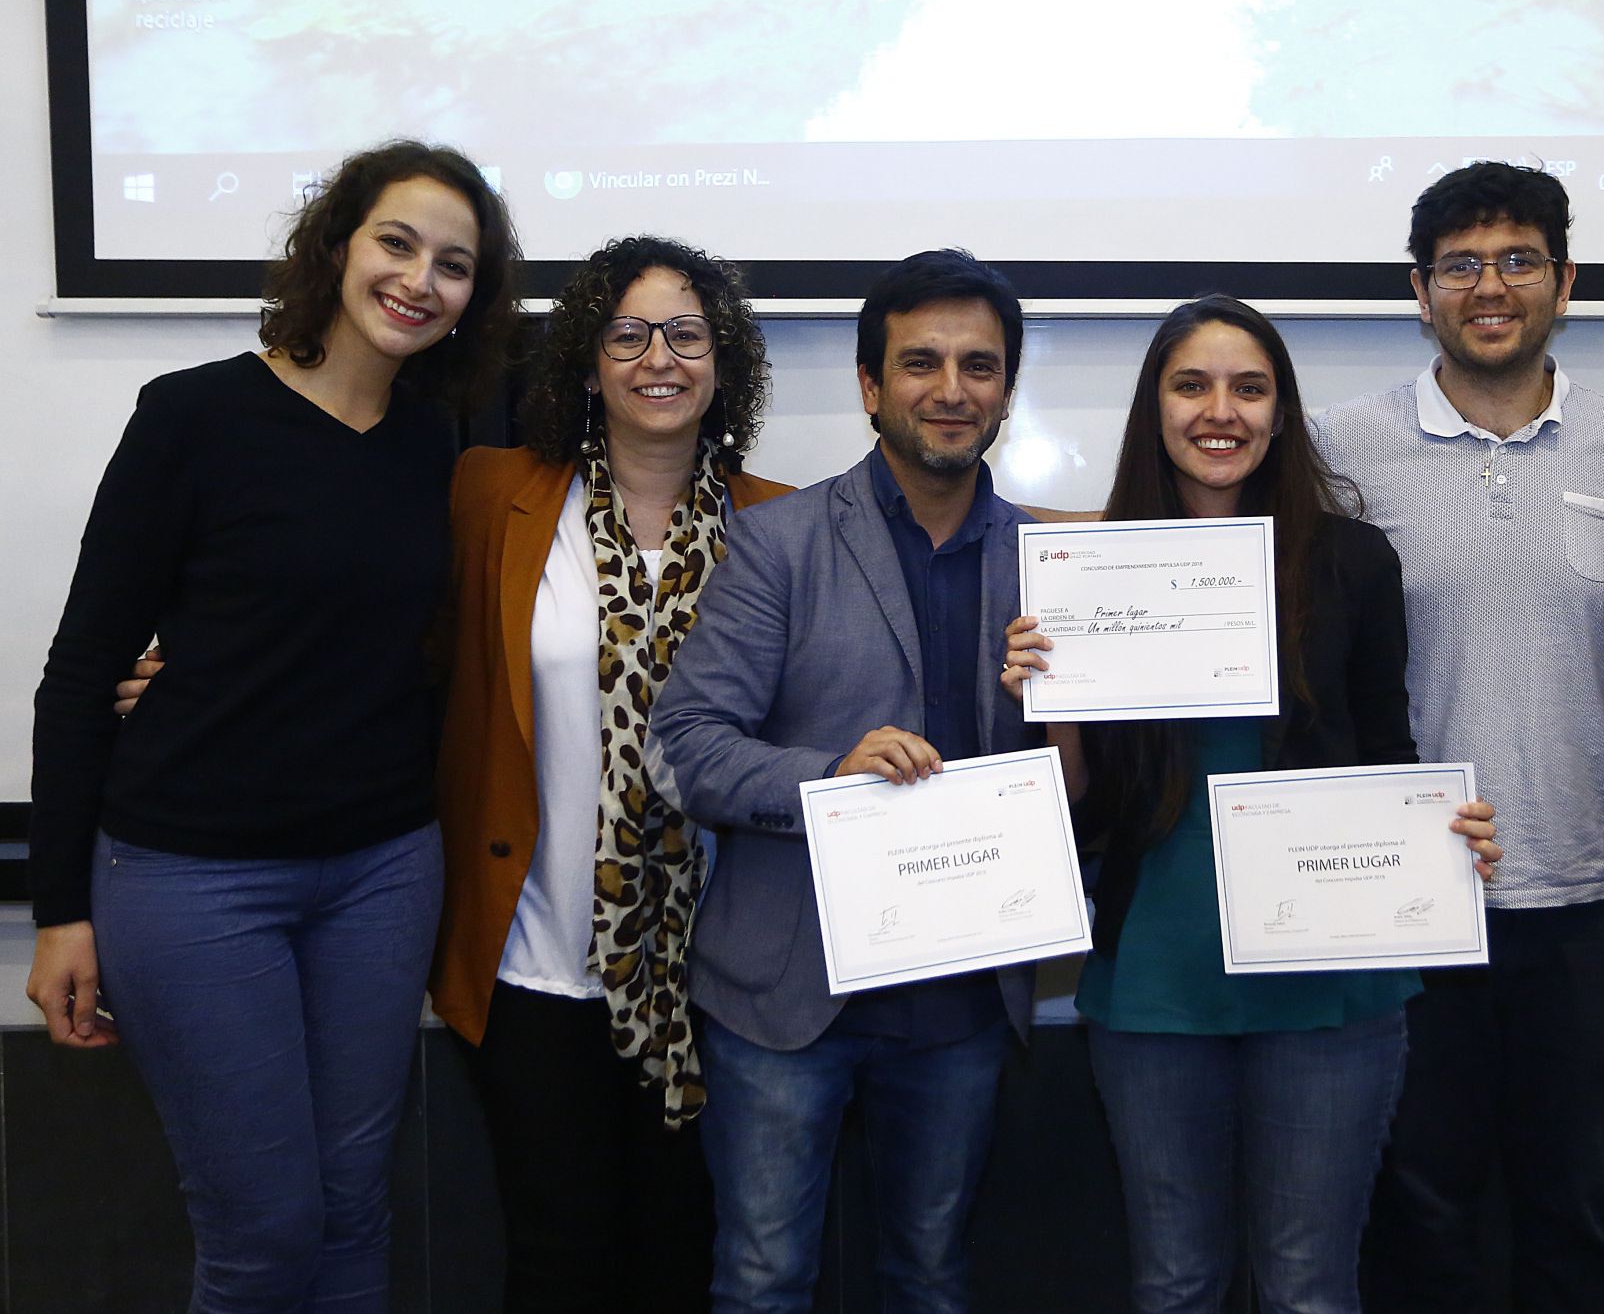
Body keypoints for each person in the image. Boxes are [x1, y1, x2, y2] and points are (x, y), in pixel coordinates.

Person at [25, 141, 520, 1311]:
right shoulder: (193, 416)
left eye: (453, 265)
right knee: (262, 1232)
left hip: (382, 872)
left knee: (353, 1212)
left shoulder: (437, 441)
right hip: (193, 881)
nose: (419, 279)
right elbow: (82, 669)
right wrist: (57, 911)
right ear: (336, 244)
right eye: (396, 242)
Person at [1000, 295, 1502, 1314]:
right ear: (1155, 408)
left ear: (1280, 412)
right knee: (1175, 1283)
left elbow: (1388, 752)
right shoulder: (1088, 570)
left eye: (1249, 387)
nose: (1219, 411)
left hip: (1329, 981)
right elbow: (1080, 817)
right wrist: (1051, 705)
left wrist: (1442, 841)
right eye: (1191, 386)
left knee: (1309, 1287)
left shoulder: (1352, 562)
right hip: (1156, 977)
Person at [648, 248, 1041, 1313]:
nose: (951, 390)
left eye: (978, 366)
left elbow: (1083, 784)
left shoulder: (1049, 563)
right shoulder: (776, 544)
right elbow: (685, 743)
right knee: (764, 1280)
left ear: (1006, 390)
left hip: (962, 998)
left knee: (932, 1277)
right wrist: (831, 774)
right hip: (789, 997)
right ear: (870, 386)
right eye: (920, 362)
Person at [1315, 162, 1604, 1312]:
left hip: (1592, 904)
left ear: (1563, 282)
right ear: (1418, 291)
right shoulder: (1338, 449)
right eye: (1459, 265)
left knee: (1584, 1222)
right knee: (1419, 1226)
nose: (1489, 286)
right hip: (1413, 907)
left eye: (1518, 260)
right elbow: (1204, 547)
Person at [428, 237, 791, 1313]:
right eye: (626, 335)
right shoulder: (491, 497)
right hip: (536, 964)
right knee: (558, 1259)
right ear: (586, 364)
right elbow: (368, 612)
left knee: (685, 1256)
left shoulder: (783, 523)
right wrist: (195, 662)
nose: (658, 359)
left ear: (722, 362)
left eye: (686, 335)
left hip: (718, 975)